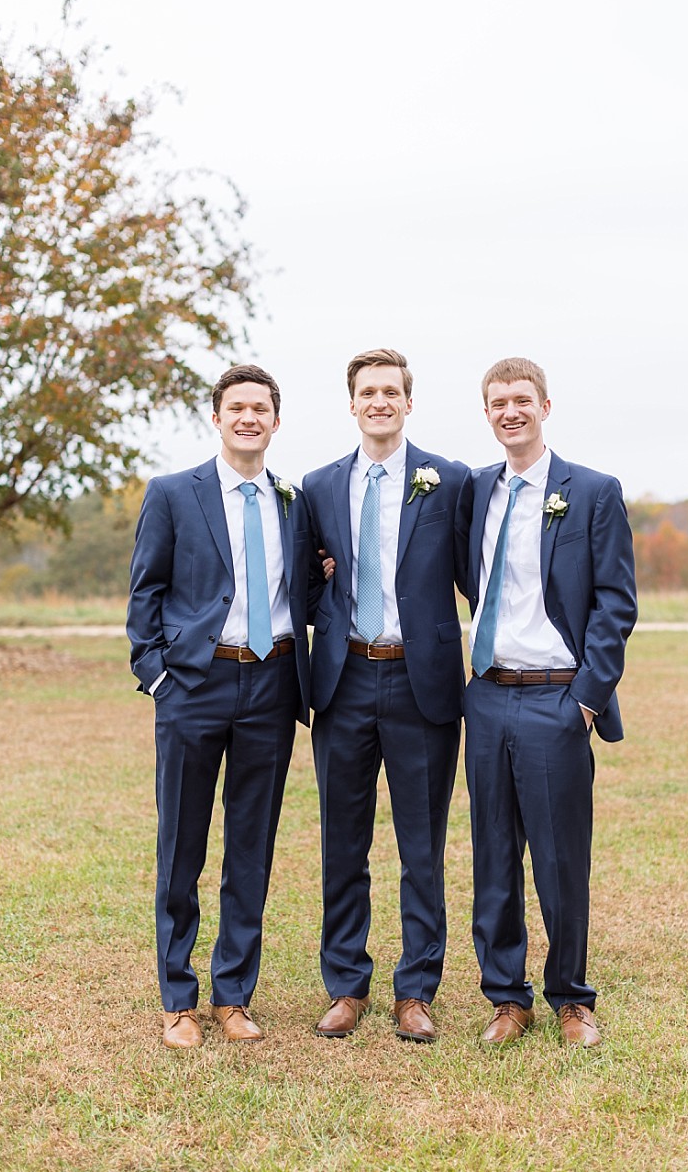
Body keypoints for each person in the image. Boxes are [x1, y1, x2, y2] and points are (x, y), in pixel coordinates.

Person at [126, 364, 323, 1048]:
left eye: (260, 408)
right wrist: (157, 675)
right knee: (181, 844)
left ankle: (233, 995)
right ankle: (178, 997)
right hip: (194, 684)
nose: (248, 418)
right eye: (236, 407)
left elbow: (309, 594)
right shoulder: (174, 493)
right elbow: (144, 592)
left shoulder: (296, 503)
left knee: (251, 847)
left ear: (275, 419)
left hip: (271, 685)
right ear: (217, 417)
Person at [455, 358, 636, 1048]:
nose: (511, 411)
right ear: (487, 412)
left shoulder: (590, 491)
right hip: (488, 697)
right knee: (493, 855)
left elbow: (615, 604)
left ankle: (570, 997)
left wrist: (586, 700)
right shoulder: (473, 491)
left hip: (560, 699)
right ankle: (508, 997)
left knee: (560, 859)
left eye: (521, 399)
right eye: (498, 401)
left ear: (545, 405)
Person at [302, 348, 470, 1043]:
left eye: (390, 391)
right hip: (342, 681)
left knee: (420, 845)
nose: (379, 401)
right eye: (367, 391)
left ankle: (416, 989)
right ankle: (346, 984)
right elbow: (296, 583)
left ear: (408, 401)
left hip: (421, 681)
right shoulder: (316, 486)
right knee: (343, 843)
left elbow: (478, 572)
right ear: (351, 403)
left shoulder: (450, 481)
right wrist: (326, 582)